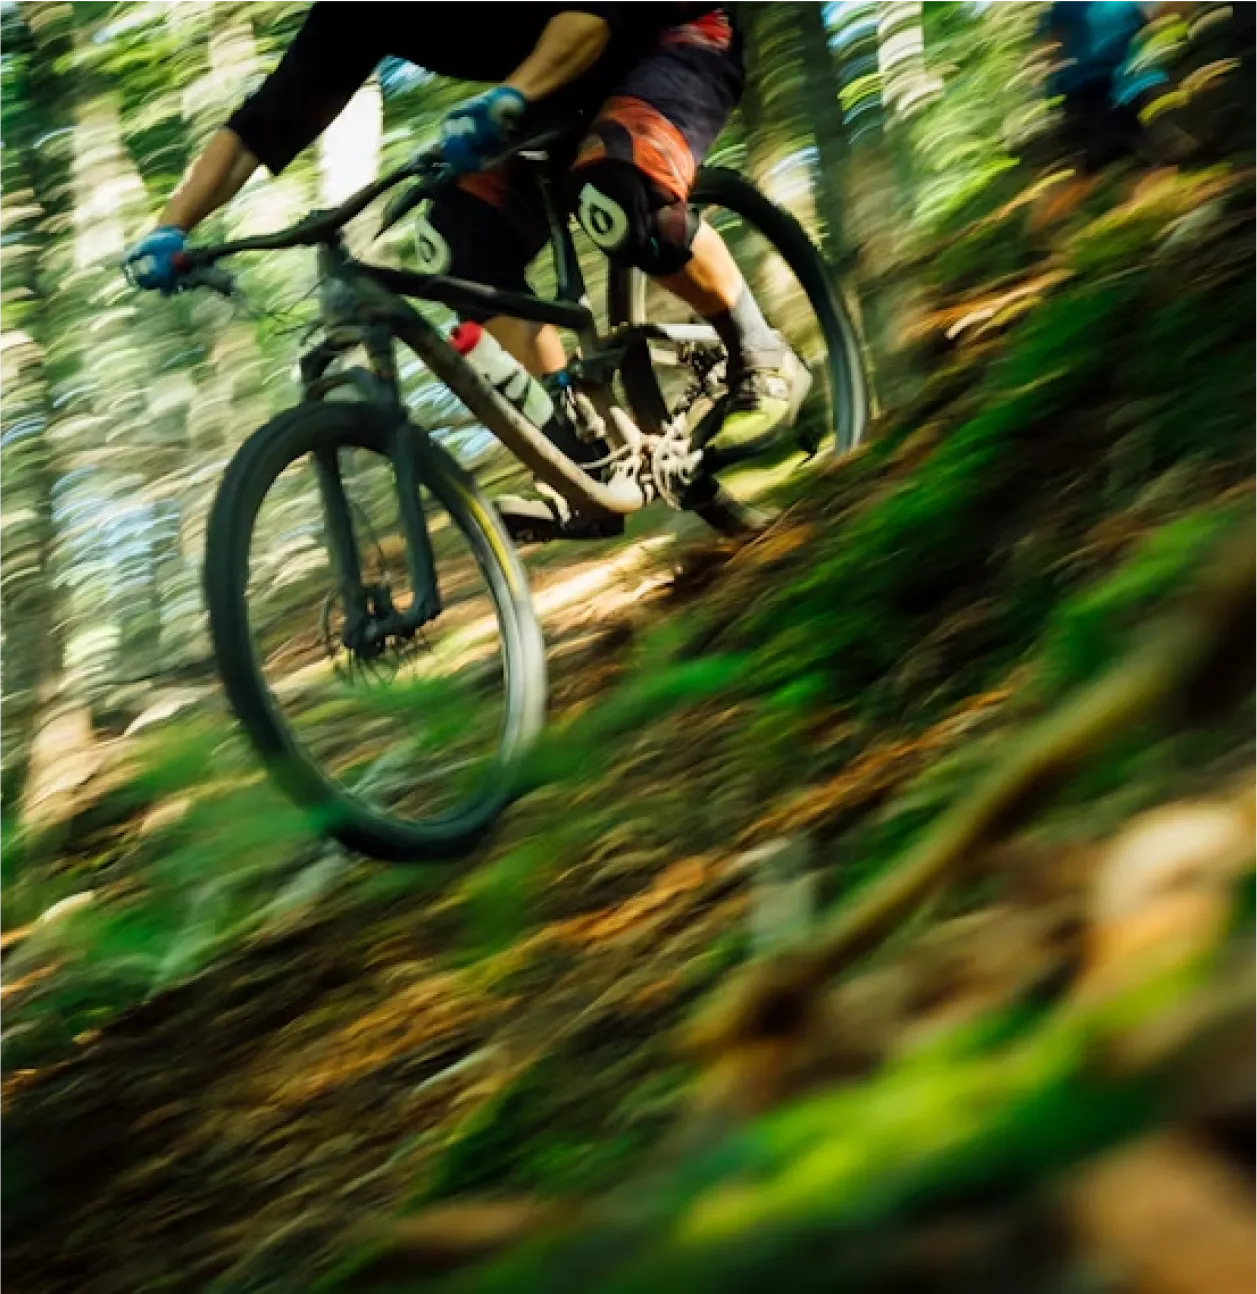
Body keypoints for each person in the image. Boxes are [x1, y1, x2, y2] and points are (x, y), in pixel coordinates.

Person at [124, 1, 806, 539]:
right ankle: (580, 452)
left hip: (668, 36)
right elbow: (259, 127)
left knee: (615, 201)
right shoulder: (352, 14)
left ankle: (759, 352)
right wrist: (171, 227)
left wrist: (507, 98)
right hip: (551, 87)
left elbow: (590, 15)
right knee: (455, 242)